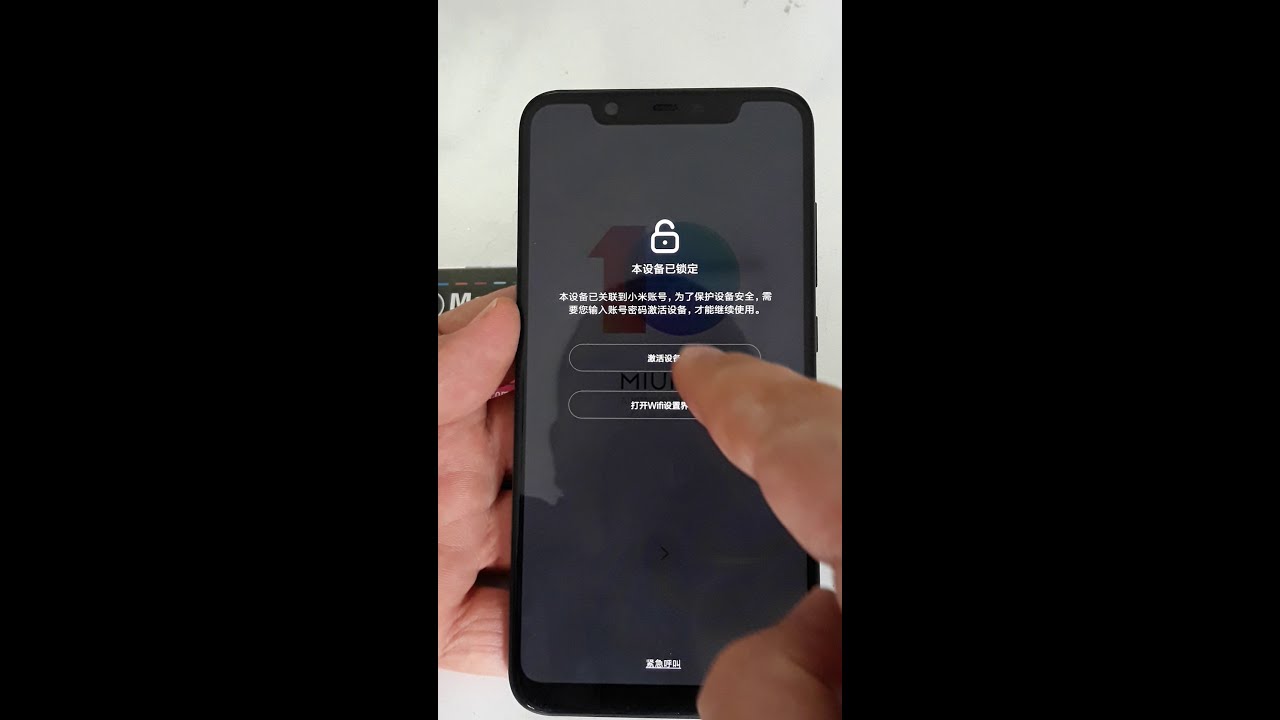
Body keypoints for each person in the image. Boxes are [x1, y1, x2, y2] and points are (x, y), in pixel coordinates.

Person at [439, 288, 842, 718]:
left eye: (680, 394)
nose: (649, 444)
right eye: (612, 380)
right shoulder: (497, 553)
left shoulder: (784, 572)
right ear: (556, 444)